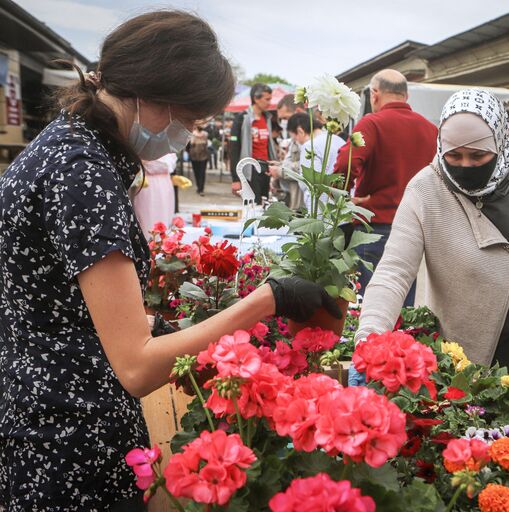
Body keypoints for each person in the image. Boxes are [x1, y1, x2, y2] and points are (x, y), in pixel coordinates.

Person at [0, 11, 340, 511]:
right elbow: (136, 368)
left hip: (40, 409)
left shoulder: (68, 145)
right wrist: (267, 300)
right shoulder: (83, 175)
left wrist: (168, 324)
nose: (187, 133)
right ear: (150, 96)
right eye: (189, 121)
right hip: (70, 437)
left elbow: (62, 304)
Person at [350, 89, 509, 418]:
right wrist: (369, 342)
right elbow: (393, 272)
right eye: (454, 155)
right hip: (469, 351)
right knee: (479, 442)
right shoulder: (425, 189)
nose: (465, 165)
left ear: (500, 141)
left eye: (478, 156)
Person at [333, 69, 437, 305]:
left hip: (374, 225)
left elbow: (344, 164)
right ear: (406, 96)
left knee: (369, 302)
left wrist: (344, 197)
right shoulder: (431, 130)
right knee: (402, 302)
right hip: (413, 228)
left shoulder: (371, 123)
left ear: (375, 94)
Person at [287, 112, 345, 210]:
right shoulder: (339, 140)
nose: (296, 142)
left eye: (294, 138)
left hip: (322, 211)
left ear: (300, 131)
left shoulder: (310, 146)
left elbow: (309, 185)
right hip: (343, 207)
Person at [230, 83, 276, 204]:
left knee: (264, 206)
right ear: (256, 98)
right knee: (252, 207)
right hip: (250, 169)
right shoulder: (242, 118)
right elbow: (234, 149)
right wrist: (235, 178)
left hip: (265, 167)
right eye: (267, 99)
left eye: (270, 99)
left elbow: (269, 145)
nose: (270, 102)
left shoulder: (268, 118)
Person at [268, 94, 305, 210]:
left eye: (286, 118)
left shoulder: (311, 136)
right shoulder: (295, 134)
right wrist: (280, 165)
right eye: (281, 119)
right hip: (294, 200)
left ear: (298, 111)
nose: (284, 122)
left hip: (305, 204)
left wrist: (280, 171)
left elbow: (306, 168)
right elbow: (294, 161)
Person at [133, 153, 177, 237]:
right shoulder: (142, 148)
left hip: (166, 185)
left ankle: (164, 245)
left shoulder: (170, 150)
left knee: (165, 217)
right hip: (148, 185)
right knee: (147, 219)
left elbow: (169, 166)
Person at [188, 124, 209, 195]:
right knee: (201, 172)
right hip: (203, 154)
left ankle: (199, 187)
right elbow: (206, 143)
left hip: (195, 154)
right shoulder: (205, 134)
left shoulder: (192, 134)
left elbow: (191, 143)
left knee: (197, 171)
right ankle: (200, 188)